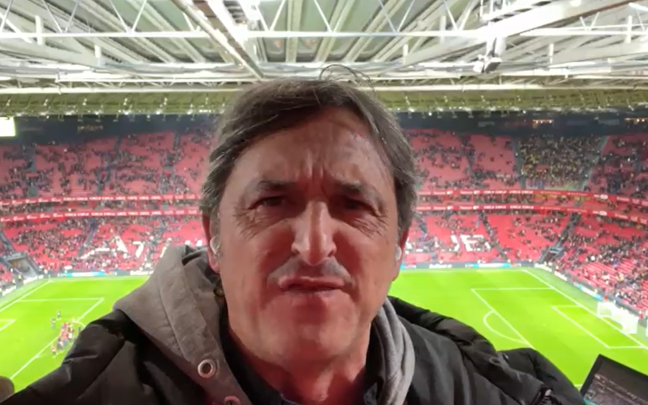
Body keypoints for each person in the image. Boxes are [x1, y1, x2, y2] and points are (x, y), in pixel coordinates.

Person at [5, 79, 582, 405]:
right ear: (213, 237)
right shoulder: (95, 395)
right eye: (272, 203)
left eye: (354, 206)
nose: (313, 245)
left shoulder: (480, 390)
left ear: (400, 244)